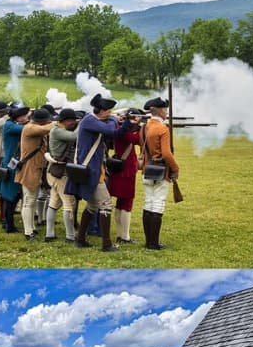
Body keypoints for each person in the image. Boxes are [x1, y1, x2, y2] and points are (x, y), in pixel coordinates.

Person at [65, 93, 123, 251]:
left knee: (92, 206)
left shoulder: (91, 120)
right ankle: (106, 244)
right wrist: (114, 119)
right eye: (108, 111)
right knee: (106, 204)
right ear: (102, 111)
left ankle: (81, 239)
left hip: (94, 168)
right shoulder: (90, 120)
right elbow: (110, 130)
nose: (110, 113)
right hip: (91, 170)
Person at [141, 96, 180, 250]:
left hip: (147, 170)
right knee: (158, 204)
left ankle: (148, 241)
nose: (166, 112)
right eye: (165, 109)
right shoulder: (163, 129)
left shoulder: (144, 128)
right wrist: (175, 168)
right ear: (159, 111)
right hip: (160, 171)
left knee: (148, 203)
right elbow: (167, 154)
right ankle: (153, 243)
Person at [15, 108, 54, 241]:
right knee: (29, 201)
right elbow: (48, 128)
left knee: (32, 199)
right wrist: (60, 122)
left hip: (36, 168)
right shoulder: (30, 128)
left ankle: (31, 227)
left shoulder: (34, 127)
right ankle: (28, 232)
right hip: (29, 169)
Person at [107, 108, 143, 243]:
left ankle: (121, 234)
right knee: (127, 203)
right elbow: (138, 139)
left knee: (121, 202)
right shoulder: (124, 131)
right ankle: (124, 236)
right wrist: (142, 128)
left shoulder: (119, 128)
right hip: (126, 170)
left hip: (120, 169)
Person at [44, 108, 79, 242]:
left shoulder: (57, 129)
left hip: (55, 171)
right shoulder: (58, 131)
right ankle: (70, 236)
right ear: (66, 121)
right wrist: (83, 123)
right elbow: (75, 136)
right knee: (69, 203)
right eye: (72, 120)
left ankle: (50, 233)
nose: (74, 122)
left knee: (54, 202)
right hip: (60, 173)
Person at [0, 106, 29, 234]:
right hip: (12, 165)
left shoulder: (11, 124)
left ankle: (7, 222)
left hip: (11, 164)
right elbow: (26, 129)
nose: (26, 118)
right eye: (25, 116)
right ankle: (9, 224)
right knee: (11, 196)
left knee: (9, 196)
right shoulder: (9, 125)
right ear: (19, 117)